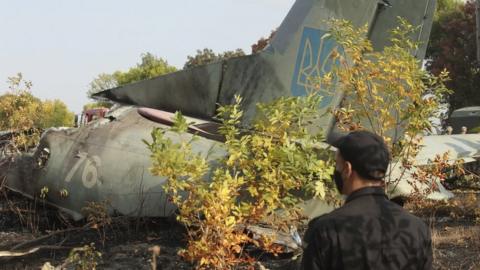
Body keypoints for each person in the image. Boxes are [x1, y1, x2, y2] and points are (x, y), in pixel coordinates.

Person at [300, 130, 432, 270]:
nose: (335, 170)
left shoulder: (326, 229)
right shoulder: (418, 228)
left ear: (347, 169)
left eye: (337, 164)